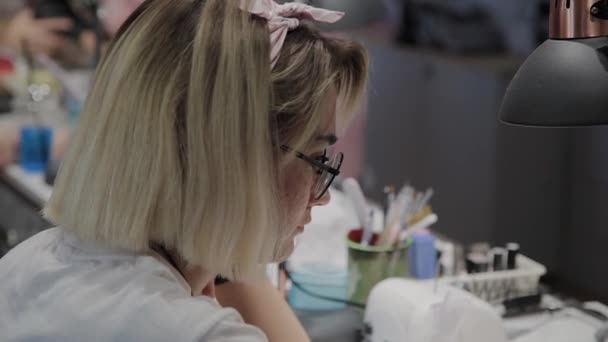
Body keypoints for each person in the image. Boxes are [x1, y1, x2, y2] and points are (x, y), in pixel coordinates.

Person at [0, 0, 368, 341]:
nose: (319, 197)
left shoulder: (27, 264)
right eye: (318, 160)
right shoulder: (203, 333)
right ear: (236, 161)